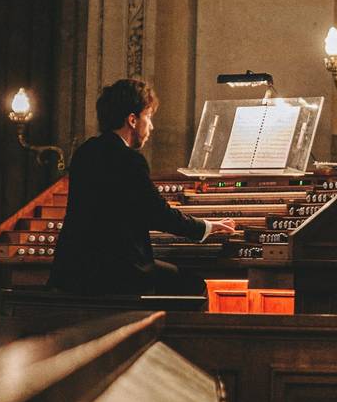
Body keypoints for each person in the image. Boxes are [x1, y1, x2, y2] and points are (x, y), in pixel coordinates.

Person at [49, 79, 234, 295]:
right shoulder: (129, 160)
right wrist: (206, 227)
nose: (152, 126)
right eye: (149, 117)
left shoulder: (85, 152)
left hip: (72, 270)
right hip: (117, 275)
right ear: (132, 120)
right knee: (194, 287)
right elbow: (157, 213)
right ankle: (155, 330)